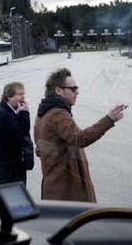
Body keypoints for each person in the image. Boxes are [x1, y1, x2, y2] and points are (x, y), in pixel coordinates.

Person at [34, 68, 126, 202]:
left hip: (54, 188)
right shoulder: (58, 114)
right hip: (67, 192)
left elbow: (39, 149)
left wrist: (56, 157)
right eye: (73, 89)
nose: (77, 92)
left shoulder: (43, 113)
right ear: (58, 90)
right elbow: (80, 139)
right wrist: (109, 119)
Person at [0, 81, 35, 185]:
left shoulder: (9, 112)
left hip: (14, 167)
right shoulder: (3, 114)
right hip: (10, 170)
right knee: (15, 198)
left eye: (23, 94)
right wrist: (24, 113)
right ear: (8, 97)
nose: (23, 98)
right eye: (19, 94)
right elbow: (22, 132)